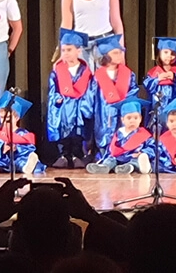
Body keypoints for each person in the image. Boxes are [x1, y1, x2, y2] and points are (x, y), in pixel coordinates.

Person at [47, 29, 97, 169]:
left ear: (79, 50)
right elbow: (53, 89)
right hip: (63, 107)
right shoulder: (57, 71)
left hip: (79, 107)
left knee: (78, 132)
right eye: (63, 50)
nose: (66, 53)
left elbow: (90, 90)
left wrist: (84, 103)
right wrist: (56, 98)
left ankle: (77, 155)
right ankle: (63, 155)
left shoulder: (86, 72)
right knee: (63, 132)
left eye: (69, 50)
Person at [92, 34, 137, 154]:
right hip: (103, 114)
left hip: (122, 114)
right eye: (115, 53)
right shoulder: (97, 76)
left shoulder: (128, 74)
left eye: (120, 52)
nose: (119, 55)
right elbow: (92, 97)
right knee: (103, 138)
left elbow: (132, 92)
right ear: (106, 55)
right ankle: (103, 156)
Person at [88, 96, 153, 174]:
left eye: (136, 118)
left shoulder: (144, 135)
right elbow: (111, 149)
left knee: (136, 161)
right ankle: (104, 167)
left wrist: (143, 152)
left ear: (140, 119)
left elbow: (151, 147)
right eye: (129, 118)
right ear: (122, 120)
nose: (132, 121)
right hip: (118, 157)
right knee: (111, 159)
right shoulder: (118, 134)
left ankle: (129, 167)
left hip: (133, 156)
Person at [0, 93, 42, 175]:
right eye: (2, 117)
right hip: (3, 158)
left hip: (18, 158)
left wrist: (17, 148)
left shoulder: (22, 133)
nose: (5, 120)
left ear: (17, 118)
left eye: (8, 118)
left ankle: (26, 167)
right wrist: (2, 148)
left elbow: (29, 148)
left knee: (21, 161)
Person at [144, 37, 176, 114]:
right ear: (159, 53)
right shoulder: (153, 72)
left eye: (173, 53)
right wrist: (157, 79)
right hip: (157, 106)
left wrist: (175, 77)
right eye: (166, 52)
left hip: (175, 106)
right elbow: (147, 86)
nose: (169, 56)